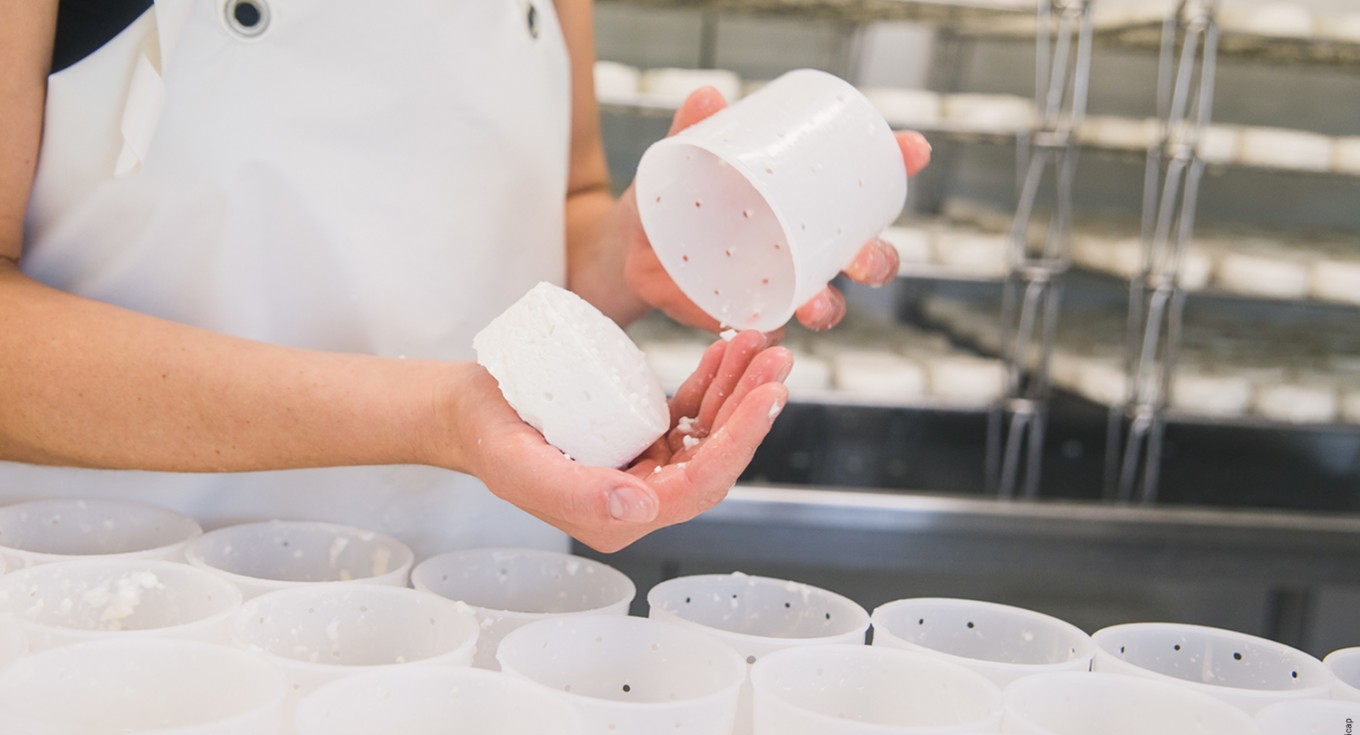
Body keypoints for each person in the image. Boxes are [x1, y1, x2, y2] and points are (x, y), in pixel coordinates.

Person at [0, 0, 932, 556]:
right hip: (130, 599)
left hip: (479, 597)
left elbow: (552, 207)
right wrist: (436, 416)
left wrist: (633, 255)